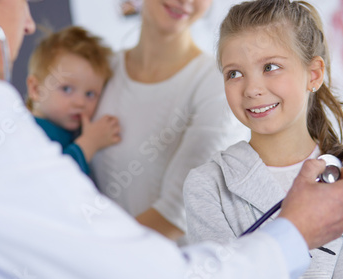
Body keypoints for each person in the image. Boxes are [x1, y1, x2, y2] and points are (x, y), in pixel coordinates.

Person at [0, 0, 343, 279]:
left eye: (272, 67)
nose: (28, 23)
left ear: (314, 74)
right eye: (20, 1)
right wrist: (294, 233)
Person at [184, 1, 343, 279]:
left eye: (270, 66)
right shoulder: (208, 185)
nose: (252, 89)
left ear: (313, 74)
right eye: (234, 73)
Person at [91, 0, 250, 241]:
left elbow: (176, 214)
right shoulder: (102, 70)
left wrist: (87, 253)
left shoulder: (217, 85)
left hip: (169, 272)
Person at [25, 26, 120, 177]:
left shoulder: (72, 131)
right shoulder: (29, 131)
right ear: (36, 89)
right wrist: (89, 144)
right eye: (67, 89)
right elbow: (54, 178)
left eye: (90, 94)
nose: (80, 103)